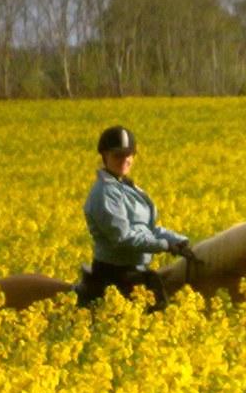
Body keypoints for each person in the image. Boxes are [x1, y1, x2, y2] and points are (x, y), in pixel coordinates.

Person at [79, 125, 193, 310]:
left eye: (129, 154)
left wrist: (180, 242)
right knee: (158, 310)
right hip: (115, 273)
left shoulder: (126, 186)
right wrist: (164, 246)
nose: (124, 160)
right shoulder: (106, 192)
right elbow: (123, 237)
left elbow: (149, 228)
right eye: (118, 155)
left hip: (134, 270)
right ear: (105, 156)